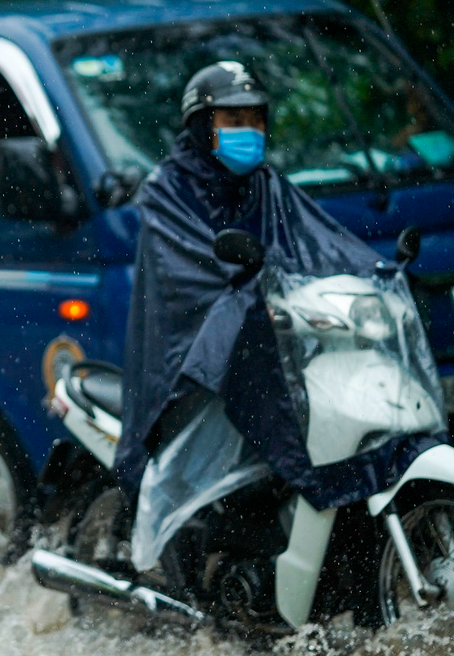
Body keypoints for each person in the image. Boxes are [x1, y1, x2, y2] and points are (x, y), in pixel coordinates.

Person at [117, 60, 416, 512]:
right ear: (201, 124)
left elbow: (320, 242)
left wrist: (375, 273)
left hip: (267, 337)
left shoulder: (265, 185)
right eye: (234, 120)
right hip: (189, 356)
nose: (249, 129)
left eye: (257, 118)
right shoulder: (166, 192)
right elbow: (194, 274)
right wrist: (253, 290)